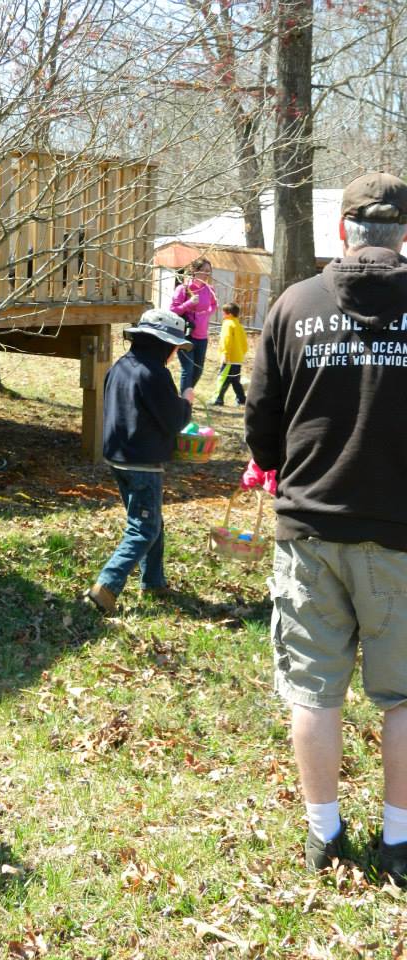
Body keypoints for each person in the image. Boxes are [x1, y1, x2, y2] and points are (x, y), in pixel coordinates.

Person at [244, 171, 407, 884]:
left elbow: (261, 414)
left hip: (309, 530)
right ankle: (398, 840)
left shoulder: (294, 305)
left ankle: (323, 833)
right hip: (401, 538)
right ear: (403, 234)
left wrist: (273, 462)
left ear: (343, 231)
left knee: (315, 693)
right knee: (404, 696)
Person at [86, 309, 194, 615]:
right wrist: (186, 403)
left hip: (118, 456)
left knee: (151, 521)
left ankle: (153, 580)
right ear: (163, 345)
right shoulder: (155, 374)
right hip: (142, 461)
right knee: (143, 529)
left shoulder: (121, 366)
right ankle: (105, 588)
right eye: (174, 347)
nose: (175, 353)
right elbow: (173, 420)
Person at [170, 257, 218, 393]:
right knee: (188, 368)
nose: (207, 274)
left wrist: (207, 314)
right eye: (204, 271)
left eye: (209, 271)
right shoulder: (183, 288)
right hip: (186, 335)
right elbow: (173, 310)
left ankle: (185, 395)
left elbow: (214, 305)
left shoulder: (210, 289)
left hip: (202, 337)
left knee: (198, 370)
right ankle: (184, 402)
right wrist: (189, 303)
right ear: (195, 271)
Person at [211, 302, 248, 406]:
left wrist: (225, 353)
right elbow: (245, 344)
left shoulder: (227, 324)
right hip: (238, 358)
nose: (223, 315)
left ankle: (218, 399)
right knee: (235, 380)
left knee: (222, 379)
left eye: (224, 313)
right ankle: (241, 399)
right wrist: (241, 354)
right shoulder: (239, 326)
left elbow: (226, 340)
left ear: (230, 314)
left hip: (229, 358)